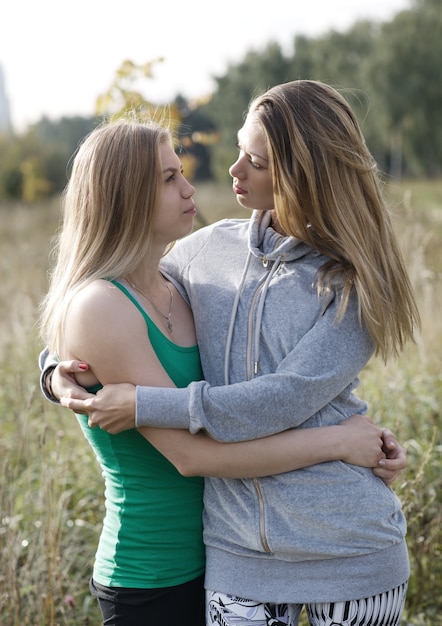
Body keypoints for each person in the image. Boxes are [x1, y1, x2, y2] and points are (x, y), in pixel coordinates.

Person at [41, 80, 418, 626]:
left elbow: (284, 397)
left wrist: (148, 404)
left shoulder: (351, 284)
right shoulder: (205, 252)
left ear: (300, 174)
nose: (232, 171)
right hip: (235, 557)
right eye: (239, 151)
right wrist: (56, 369)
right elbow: (105, 299)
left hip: (351, 547)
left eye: (255, 161)